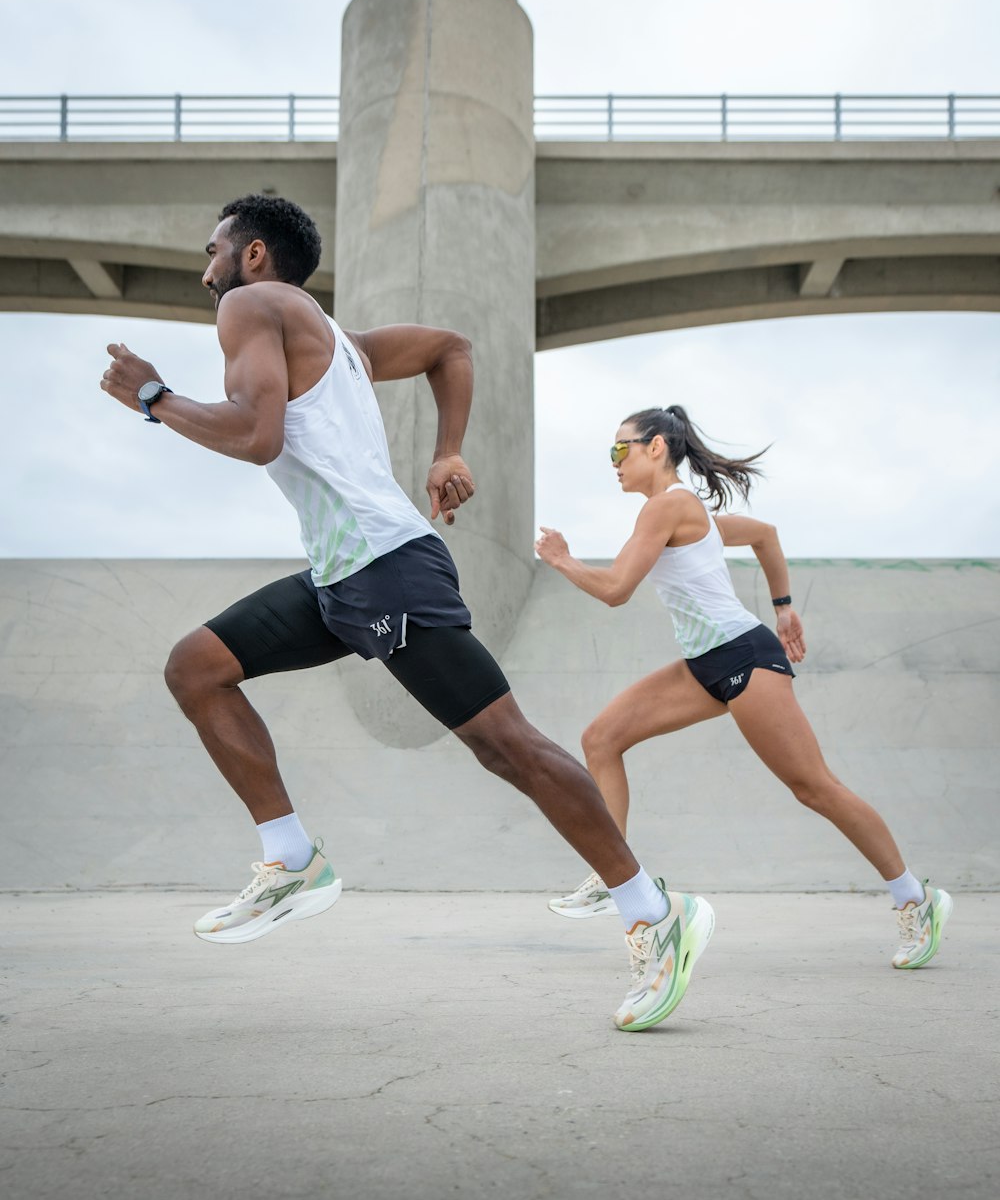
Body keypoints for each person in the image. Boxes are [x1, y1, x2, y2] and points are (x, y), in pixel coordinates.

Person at [98, 193, 714, 1031]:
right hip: (341, 577)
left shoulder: (249, 306)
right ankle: (292, 858)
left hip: (385, 569)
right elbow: (450, 349)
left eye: (212, 248)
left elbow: (258, 436)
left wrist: (153, 396)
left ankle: (653, 911)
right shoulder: (337, 342)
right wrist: (448, 446)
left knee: (509, 747)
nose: (202, 264)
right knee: (197, 665)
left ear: (250, 256)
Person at [535, 405, 952, 971]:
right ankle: (613, 876)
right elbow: (765, 535)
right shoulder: (689, 513)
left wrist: (560, 559)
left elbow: (615, 590)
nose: (613, 463)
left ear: (655, 447)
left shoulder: (668, 505)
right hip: (705, 663)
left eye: (619, 449)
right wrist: (784, 608)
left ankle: (916, 900)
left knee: (814, 787)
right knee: (601, 738)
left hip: (745, 658)